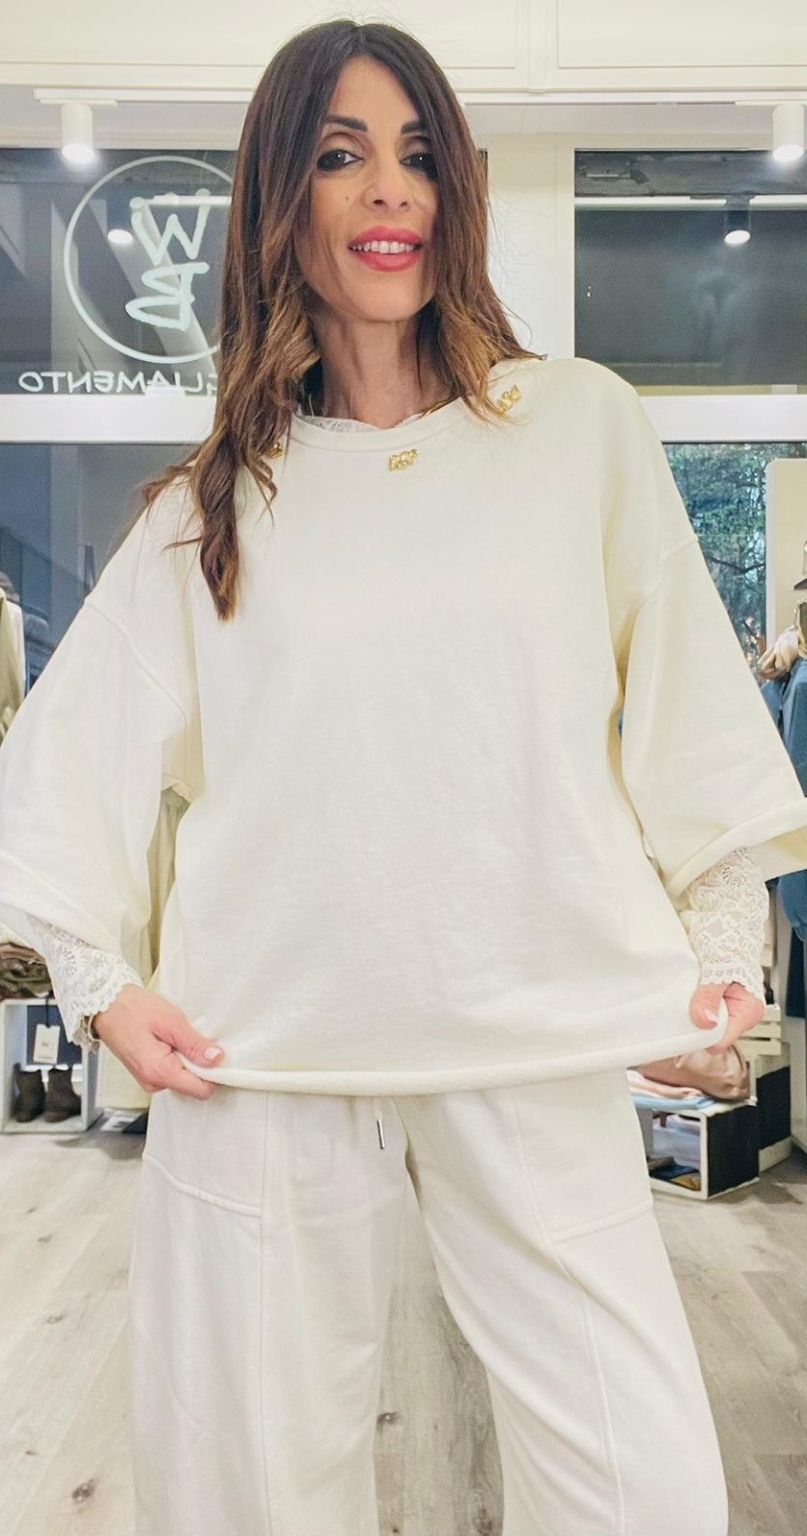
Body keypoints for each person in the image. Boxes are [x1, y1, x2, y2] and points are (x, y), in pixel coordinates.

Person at [1, 19, 807, 1536]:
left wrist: (714, 954)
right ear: (278, 199)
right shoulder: (210, 510)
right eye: (341, 153)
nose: (392, 190)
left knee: (640, 1486)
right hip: (266, 1051)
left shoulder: (577, 429)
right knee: (245, 1489)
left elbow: (690, 703)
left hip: (533, 1024)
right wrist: (102, 986)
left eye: (421, 153)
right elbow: (60, 767)